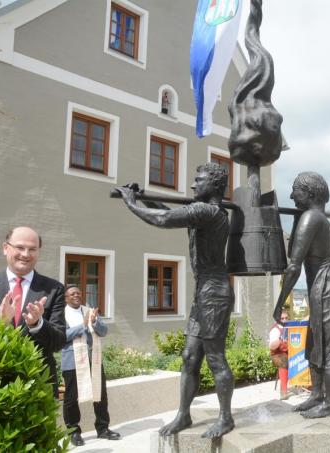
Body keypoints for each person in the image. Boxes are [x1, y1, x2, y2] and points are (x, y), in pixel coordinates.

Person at [114, 162, 235, 438]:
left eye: (199, 179)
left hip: (214, 294)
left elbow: (163, 220)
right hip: (203, 292)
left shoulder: (208, 211)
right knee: (190, 356)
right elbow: (171, 213)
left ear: (214, 186)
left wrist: (131, 203)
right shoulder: (202, 213)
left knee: (215, 358)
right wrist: (146, 197)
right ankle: (184, 414)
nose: (193, 185)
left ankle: (225, 418)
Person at [273, 171, 330, 419]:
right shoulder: (311, 217)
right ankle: (317, 394)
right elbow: (297, 250)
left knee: (329, 348)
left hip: (327, 286)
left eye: (297, 190)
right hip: (320, 286)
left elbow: (294, 265)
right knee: (315, 344)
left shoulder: (312, 218)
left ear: (311, 193)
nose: (292, 195)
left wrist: (280, 302)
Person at [0, 226, 66, 398]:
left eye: (32, 249)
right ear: (6, 248)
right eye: (20, 247)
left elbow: (58, 343)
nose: (25, 254)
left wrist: (37, 324)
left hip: (38, 386)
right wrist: (1, 323)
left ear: (38, 252)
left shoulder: (53, 289)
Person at [60, 285, 121, 446]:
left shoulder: (89, 310)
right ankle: (73, 432)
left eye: (79, 293)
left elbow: (103, 331)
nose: (77, 296)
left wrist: (93, 321)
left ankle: (103, 429)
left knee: (100, 395)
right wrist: (83, 325)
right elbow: (61, 336)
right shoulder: (60, 314)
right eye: (72, 294)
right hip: (72, 360)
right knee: (71, 399)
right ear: (66, 298)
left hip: (93, 358)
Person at [269, 309, 291, 400]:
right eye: (282, 318)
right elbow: (272, 347)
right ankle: (283, 391)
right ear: (279, 319)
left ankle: (306, 385)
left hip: (289, 352)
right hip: (277, 354)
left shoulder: (290, 327)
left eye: (286, 318)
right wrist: (278, 341)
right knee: (284, 362)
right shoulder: (275, 329)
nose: (284, 320)